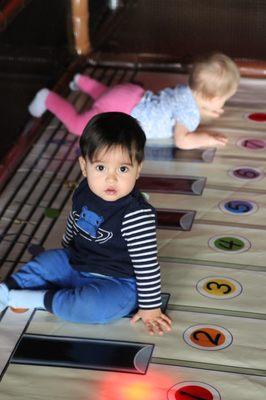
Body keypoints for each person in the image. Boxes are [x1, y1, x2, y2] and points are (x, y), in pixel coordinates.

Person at [0, 112, 171, 336]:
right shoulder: (83, 189)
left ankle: (36, 299)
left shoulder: (136, 215)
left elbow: (147, 265)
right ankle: (6, 289)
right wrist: (67, 246)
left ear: (138, 169)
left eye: (123, 169)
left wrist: (150, 308)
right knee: (45, 262)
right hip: (77, 261)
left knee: (94, 308)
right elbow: (76, 218)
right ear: (84, 166)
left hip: (116, 281)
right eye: (101, 168)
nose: (111, 179)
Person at [28, 53, 240, 149]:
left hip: (132, 94)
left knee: (105, 94)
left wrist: (205, 109)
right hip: (123, 111)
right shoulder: (190, 115)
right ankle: (47, 98)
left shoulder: (186, 91)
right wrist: (206, 138)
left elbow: (184, 106)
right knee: (77, 126)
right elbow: (182, 141)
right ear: (211, 98)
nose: (223, 105)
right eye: (223, 101)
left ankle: (80, 81)